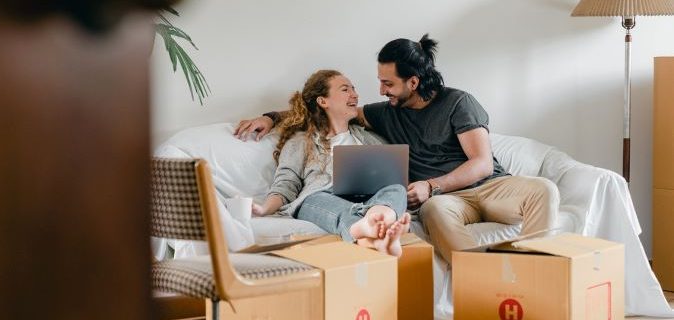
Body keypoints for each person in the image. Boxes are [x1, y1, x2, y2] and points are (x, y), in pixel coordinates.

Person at [235, 34, 559, 262]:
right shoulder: (383, 112)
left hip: (490, 188)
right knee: (433, 212)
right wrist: (271, 116)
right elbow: (321, 112)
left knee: (544, 190)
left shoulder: (458, 103)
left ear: (413, 82)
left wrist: (430, 185)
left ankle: (534, 270)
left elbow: (482, 164)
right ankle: (478, 276)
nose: (379, 90)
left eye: (388, 83)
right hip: (444, 203)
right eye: (379, 81)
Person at [251, 69, 410, 257]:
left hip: (369, 200)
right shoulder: (301, 141)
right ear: (323, 101)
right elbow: (286, 184)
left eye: (354, 89)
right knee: (312, 199)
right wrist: (264, 209)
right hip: (322, 199)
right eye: (345, 89)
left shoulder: (371, 139)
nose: (355, 95)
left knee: (396, 188)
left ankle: (376, 226)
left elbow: (392, 178)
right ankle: (372, 230)